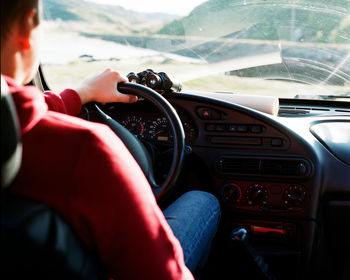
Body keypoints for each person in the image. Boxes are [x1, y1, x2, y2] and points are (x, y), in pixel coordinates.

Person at [1, 0, 221, 279]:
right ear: (26, 26)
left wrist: (80, 94)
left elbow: (16, 108)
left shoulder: (16, 127)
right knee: (202, 200)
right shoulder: (86, 150)